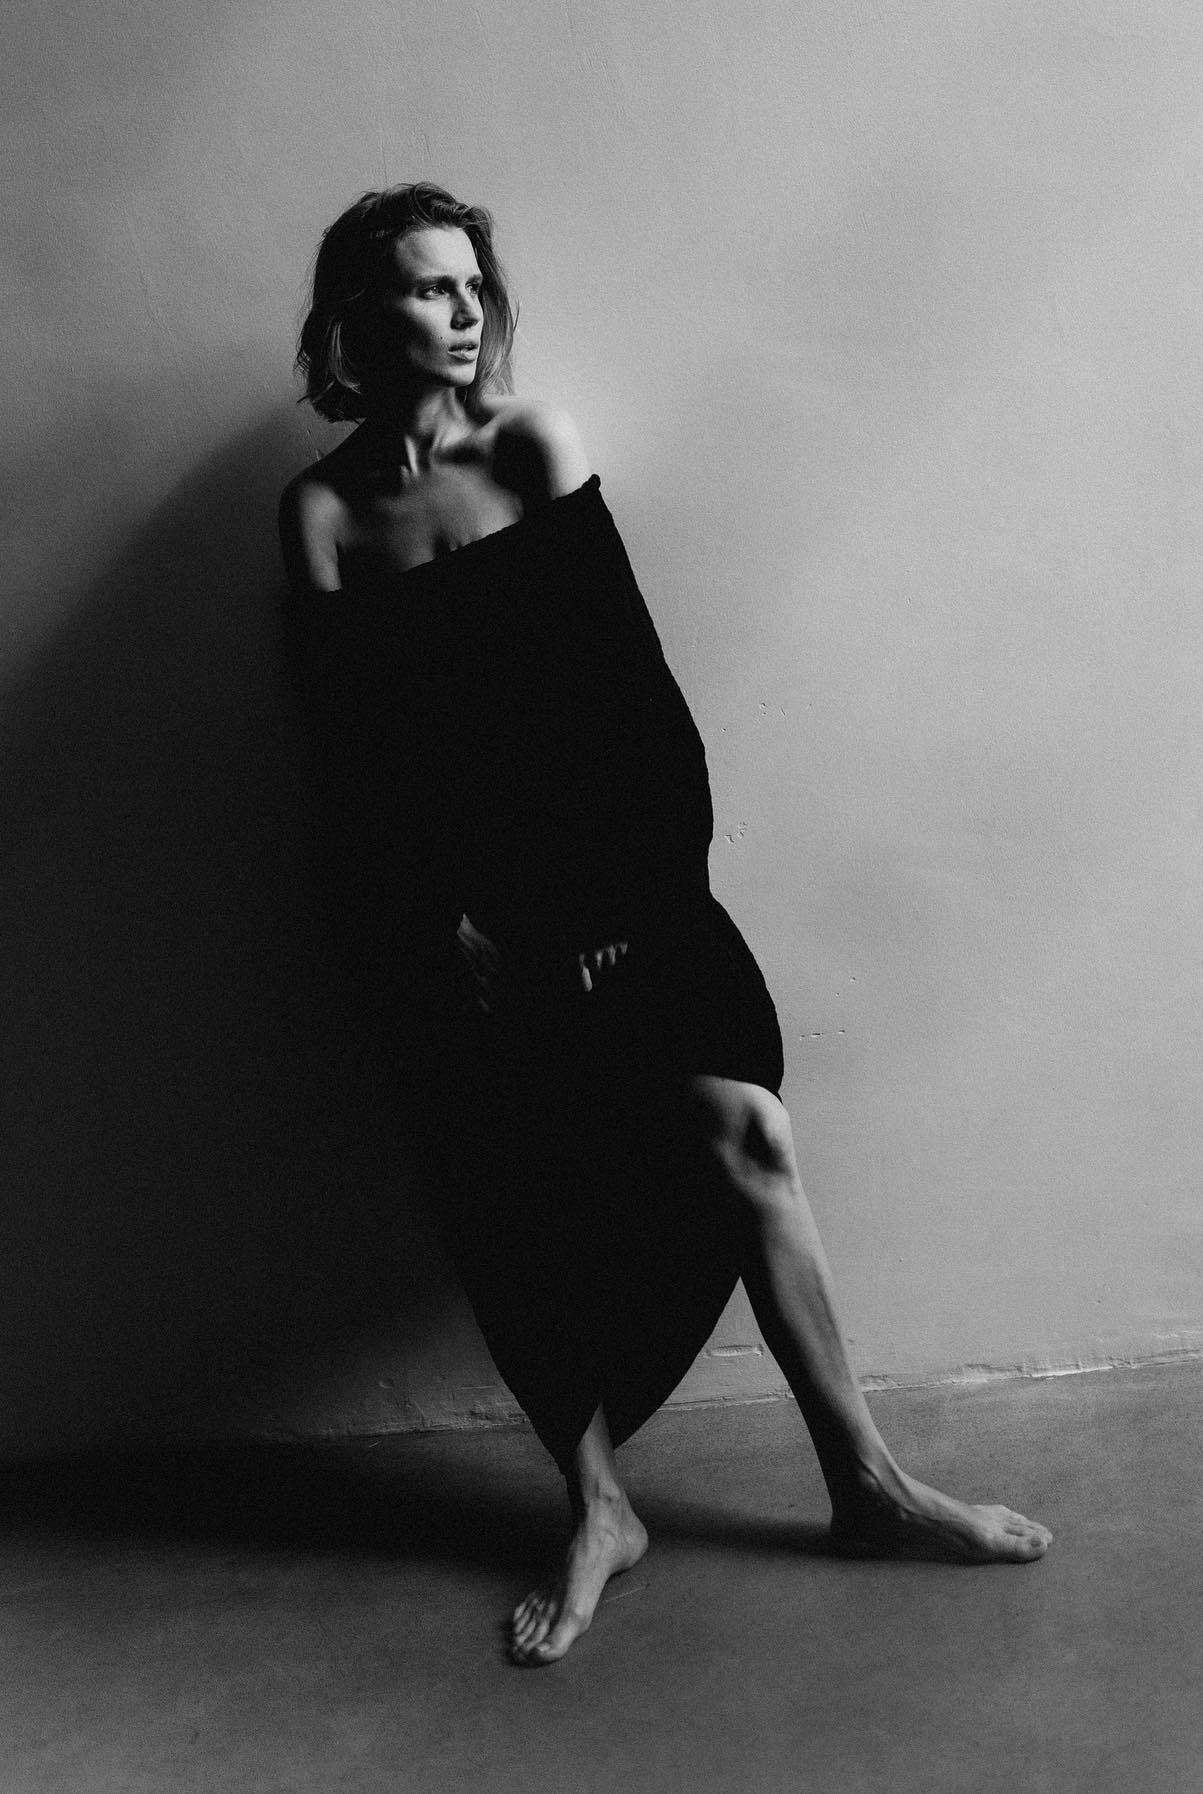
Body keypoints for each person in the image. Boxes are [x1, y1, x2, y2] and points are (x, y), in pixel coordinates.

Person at [279, 183, 1051, 1667]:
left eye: (471, 286)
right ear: (357, 316)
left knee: (746, 1133)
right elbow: (351, 765)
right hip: (448, 933)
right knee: (509, 1201)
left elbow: (635, 708)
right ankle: (599, 1508)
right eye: (426, 289)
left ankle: (870, 1484)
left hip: (619, 887)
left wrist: (620, 907)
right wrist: (447, 930)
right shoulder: (319, 514)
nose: (461, 313)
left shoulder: (532, 447)